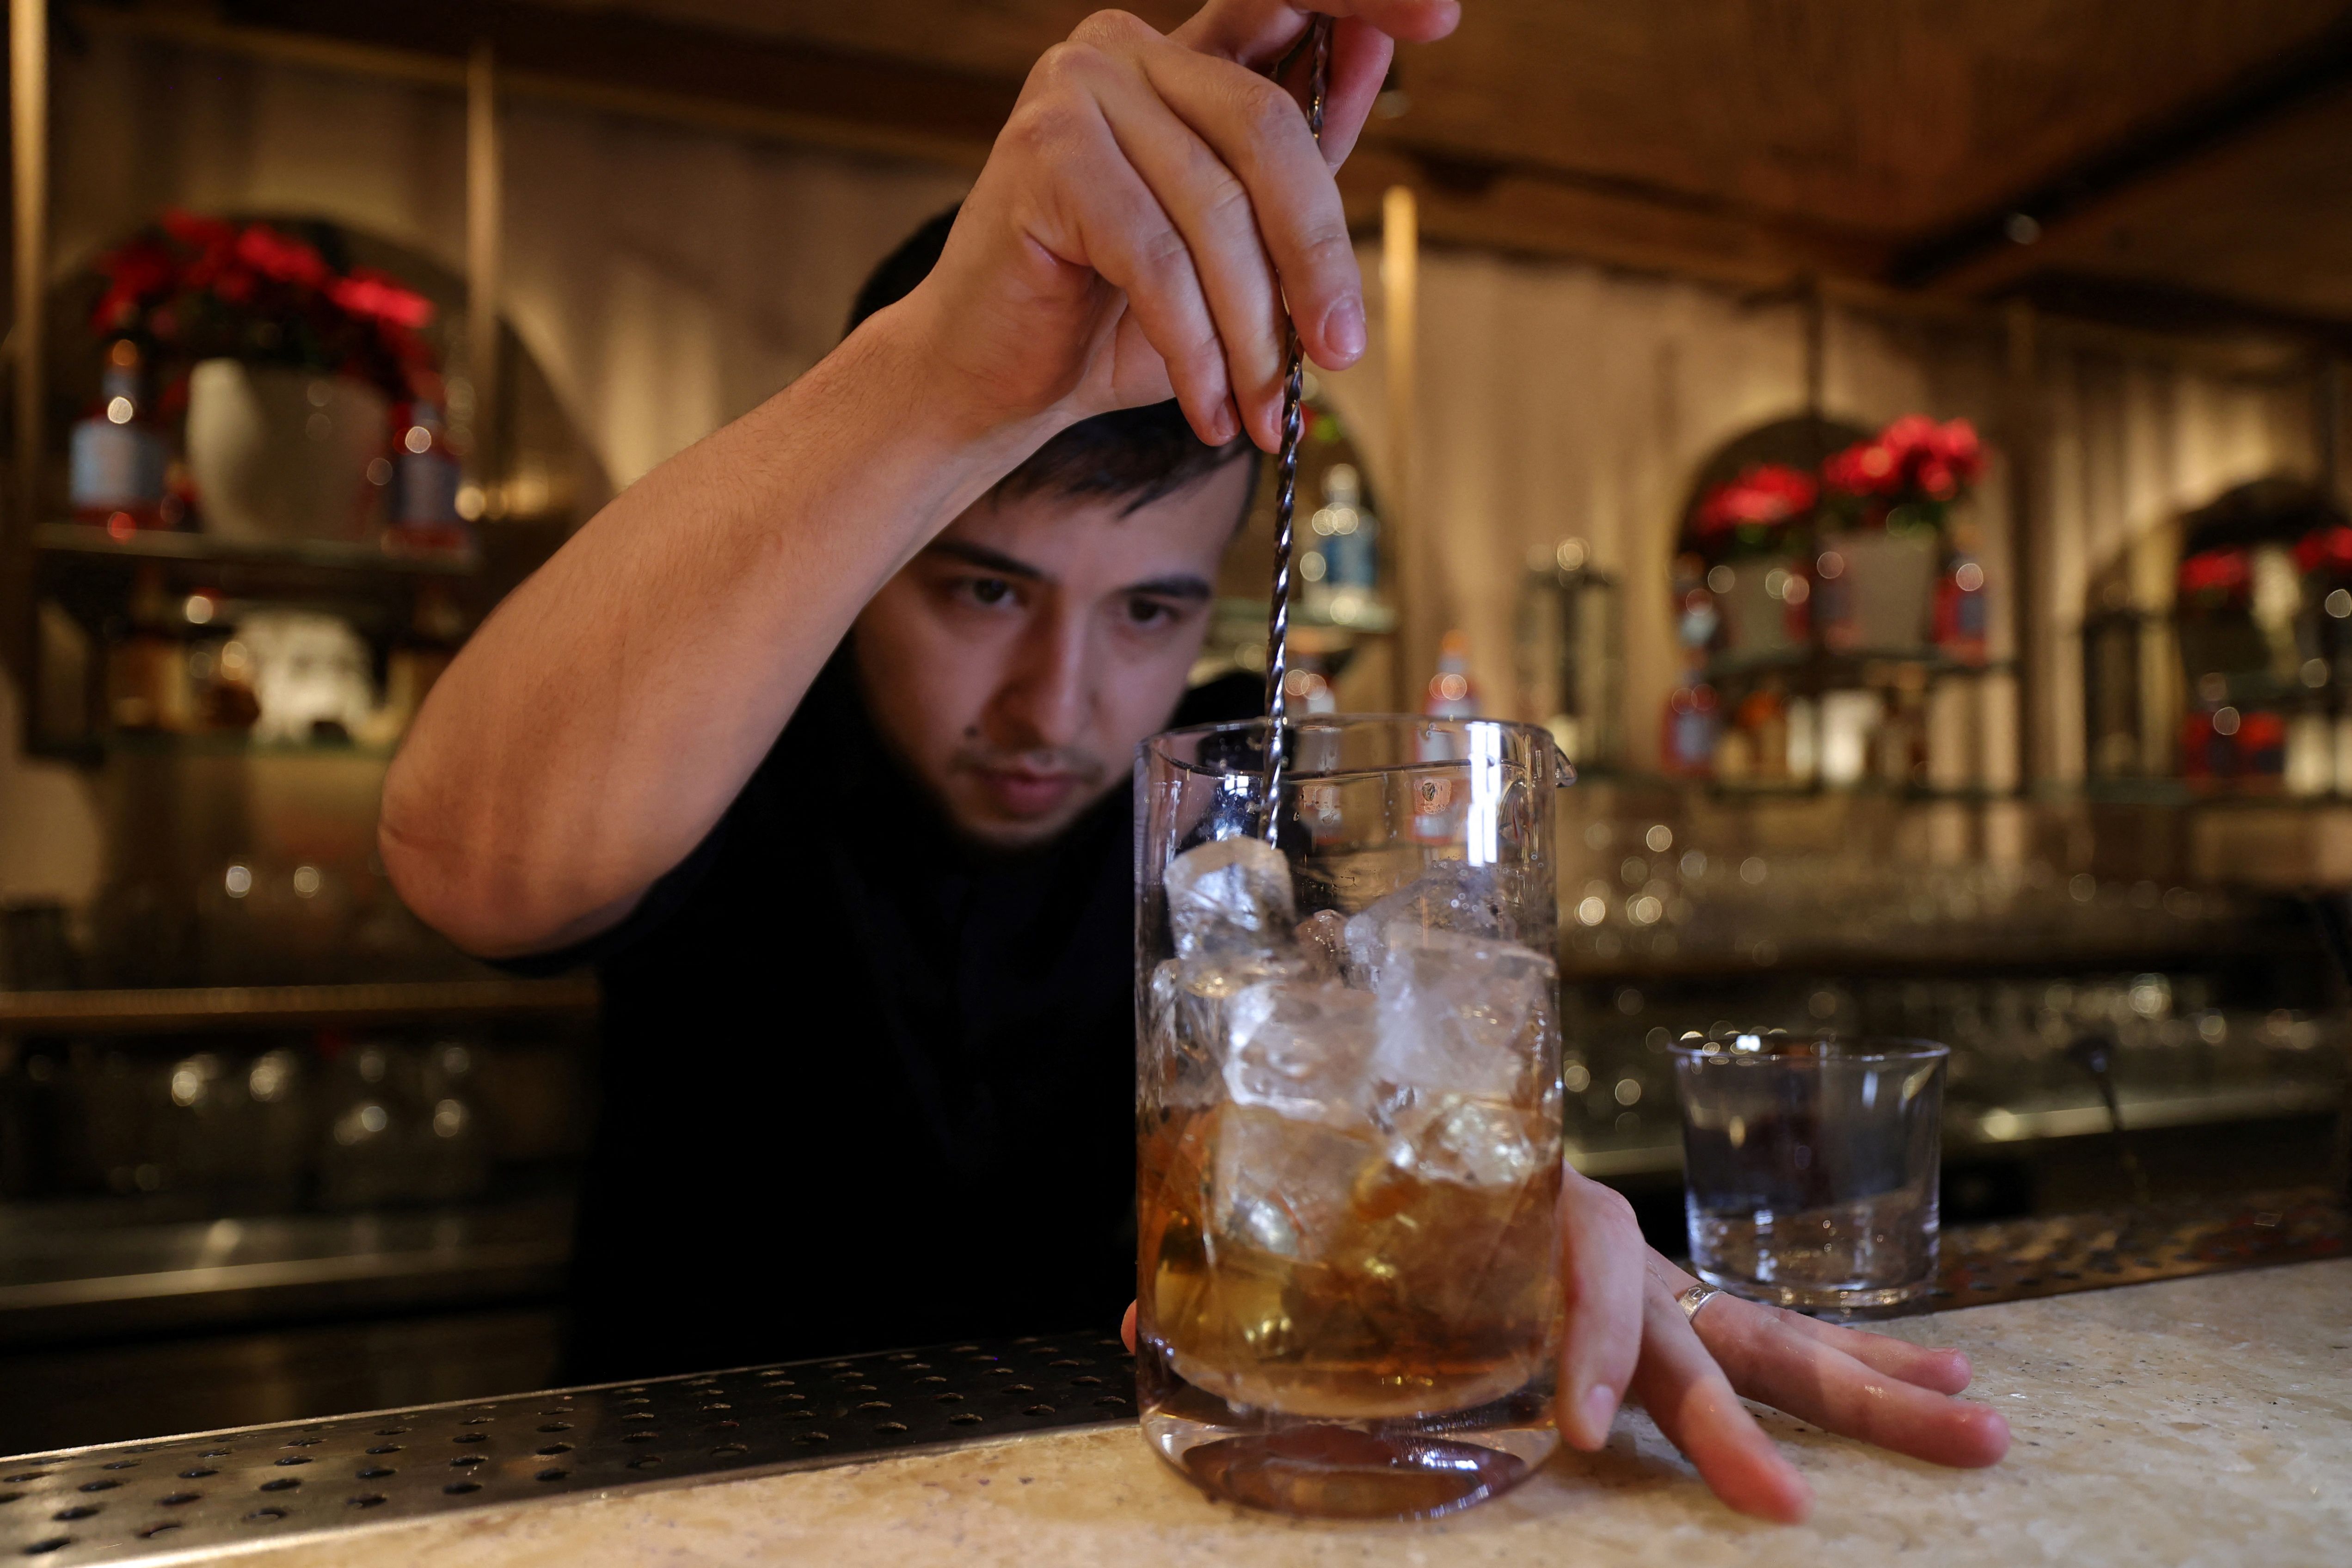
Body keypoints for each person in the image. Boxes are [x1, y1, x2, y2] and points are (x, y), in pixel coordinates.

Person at [381, 0, 2008, 1521]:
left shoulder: (1244, 774)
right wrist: (940, 376)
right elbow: (469, 863)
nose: (1056, 701)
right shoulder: (733, 702)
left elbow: (1380, 1071)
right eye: (983, 587)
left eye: (1149, 607)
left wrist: (1516, 1222)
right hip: (699, 1515)